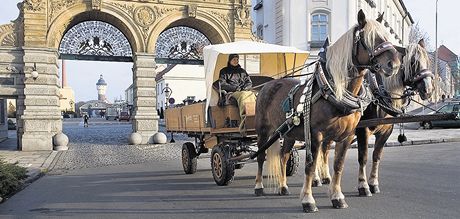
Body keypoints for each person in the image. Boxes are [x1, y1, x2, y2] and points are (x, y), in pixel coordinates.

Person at [218, 54, 256, 131]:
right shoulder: (224, 71)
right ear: (230, 61)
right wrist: (235, 88)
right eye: (234, 59)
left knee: (252, 95)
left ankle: (255, 117)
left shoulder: (242, 71)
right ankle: (244, 119)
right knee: (243, 95)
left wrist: (246, 88)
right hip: (232, 92)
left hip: (244, 91)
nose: (236, 61)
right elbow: (222, 84)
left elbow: (249, 82)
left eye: (237, 59)